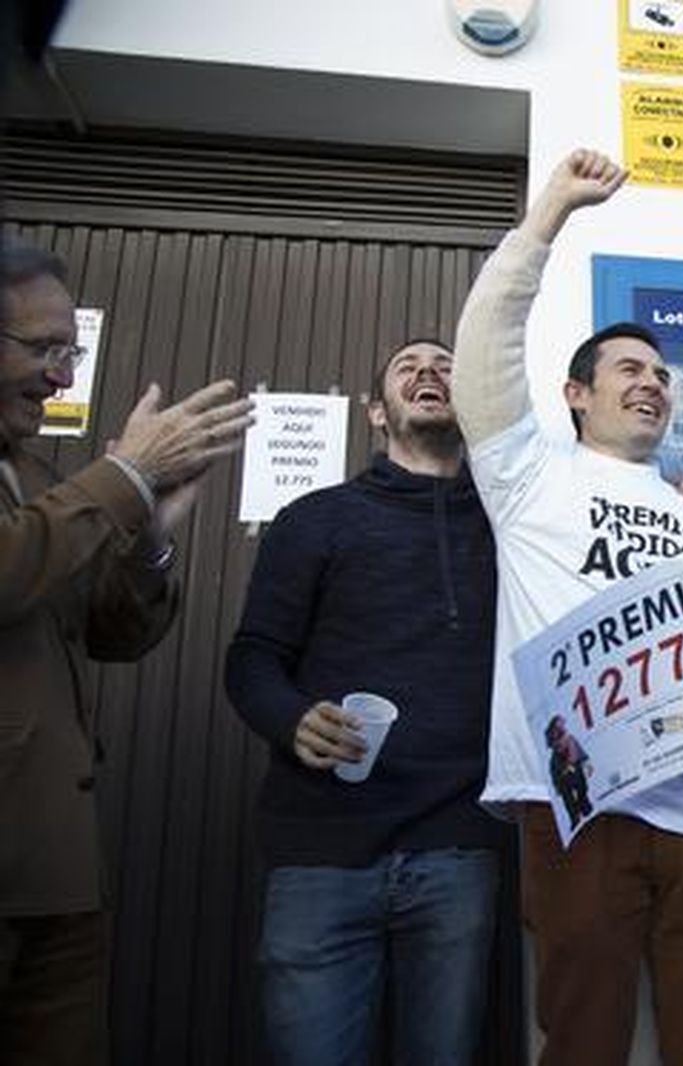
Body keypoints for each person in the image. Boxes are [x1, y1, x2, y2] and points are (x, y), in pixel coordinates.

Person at [451, 148, 683, 1066]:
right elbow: (484, 356)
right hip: (578, 809)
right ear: (576, 394)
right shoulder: (528, 478)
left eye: (662, 375)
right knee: (583, 1042)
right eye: (628, 368)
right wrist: (546, 217)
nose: (651, 382)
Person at [225, 339, 511, 1066]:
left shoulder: (510, 528)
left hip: (457, 846)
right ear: (377, 412)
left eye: (448, 364)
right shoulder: (314, 518)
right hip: (320, 851)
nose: (430, 372)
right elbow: (252, 658)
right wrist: (290, 720)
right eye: (409, 366)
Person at [0, 245, 252, 1063]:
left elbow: (111, 634)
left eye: (68, 353)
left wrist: (146, 541)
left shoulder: (37, 475)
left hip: (57, 877)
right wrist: (123, 476)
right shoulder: (76, 487)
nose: (60, 377)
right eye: (42, 350)